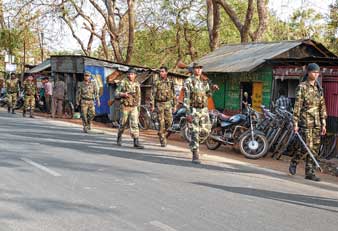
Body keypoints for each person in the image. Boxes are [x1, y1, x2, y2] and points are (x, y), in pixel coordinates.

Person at [289, 63, 327, 181]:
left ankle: (309, 172)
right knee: (306, 146)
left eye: (317, 73)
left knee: (314, 148)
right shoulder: (302, 87)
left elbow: (322, 106)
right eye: (314, 72)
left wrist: (324, 123)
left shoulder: (318, 88)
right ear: (308, 72)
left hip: (317, 123)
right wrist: (295, 123)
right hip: (305, 121)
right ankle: (294, 161)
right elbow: (298, 106)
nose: (316, 74)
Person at [183, 62, 218, 164]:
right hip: (193, 109)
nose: (198, 70)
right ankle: (195, 152)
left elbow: (208, 95)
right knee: (195, 131)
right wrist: (188, 113)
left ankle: (196, 142)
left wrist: (213, 89)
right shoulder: (189, 81)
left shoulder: (204, 82)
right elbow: (186, 98)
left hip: (203, 110)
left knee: (206, 131)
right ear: (193, 69)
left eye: (200, 68)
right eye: (196, 68)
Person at [115, 68, 144, 149]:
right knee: (123, 123)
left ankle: (136, 141)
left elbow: (139, 97)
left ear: (135, 75)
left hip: (134, 106)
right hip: (125, 106)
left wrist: (138, 108)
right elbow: (116, 93)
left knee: (135, 123)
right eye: (129, 74)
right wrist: (123, 94)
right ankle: (119, 137)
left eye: (132, 74)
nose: (130, 75)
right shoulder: (123, 82)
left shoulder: (137, 84)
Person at [150, 66, 177, 147]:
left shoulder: (170, 82)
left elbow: (174, 94)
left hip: (168, 104)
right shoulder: (156, 82)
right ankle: (162, 139)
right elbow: (152, 94)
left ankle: (161, 133)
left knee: (169, 122)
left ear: (166, 72)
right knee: (161, 123)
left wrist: (175, 105)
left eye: (162, 71)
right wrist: (152, 105)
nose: (161, 73)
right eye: (160, 71)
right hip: (159, 104)